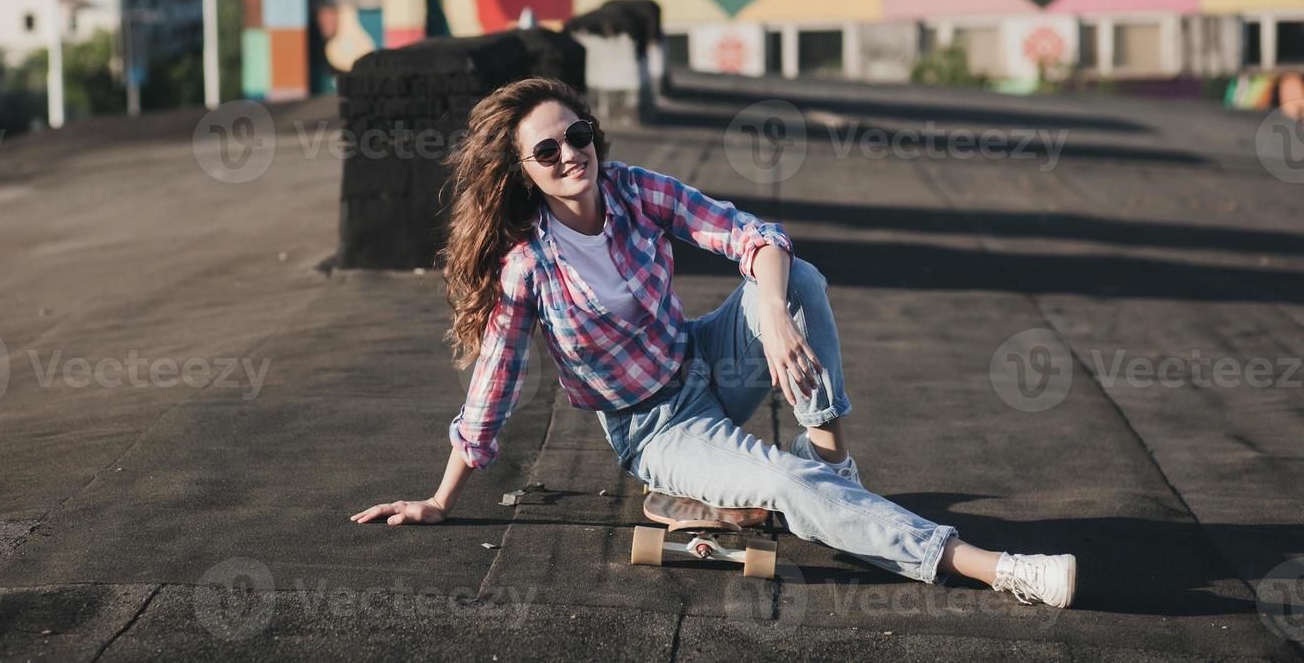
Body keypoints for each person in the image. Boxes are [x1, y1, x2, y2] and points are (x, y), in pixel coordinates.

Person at [353, 77, 1076, 608]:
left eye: (578, 135)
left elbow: (751, 235)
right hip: (656, 426)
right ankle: (997, 567)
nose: (570, 155)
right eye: (547, 150)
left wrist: (773, 310)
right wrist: (440, 499)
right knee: (788, 487)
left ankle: (835, 464)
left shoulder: (635, 191)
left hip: (704, 359)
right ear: (525, 172)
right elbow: (493, 387)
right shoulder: (527, 267)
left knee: (800, 283)